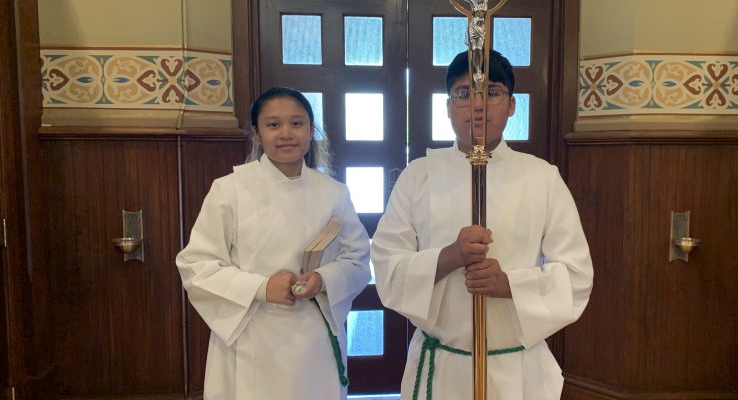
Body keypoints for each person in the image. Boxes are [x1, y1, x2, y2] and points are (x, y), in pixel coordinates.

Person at [371, 50, 594, 400]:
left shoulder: (542, 178)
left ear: (511, 105)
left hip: (517, 371)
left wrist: (510, 284)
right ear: (447, 106)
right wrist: (450, 256)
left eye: (491, 92)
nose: (477, 105)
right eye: (463, 94)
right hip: (442, 367)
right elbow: (386, 267)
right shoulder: (418, 176)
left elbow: (577, 277)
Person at [176, 87, 371, 400]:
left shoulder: (333, 193)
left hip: (313, 335)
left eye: (296, 123)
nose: (286, 134)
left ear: (311, 130)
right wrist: (261, 288)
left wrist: (323, 279)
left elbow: (358, 261)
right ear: (257, 133)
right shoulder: (230, 190)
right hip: (251, 331)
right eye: (273, 124)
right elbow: (196, 265)